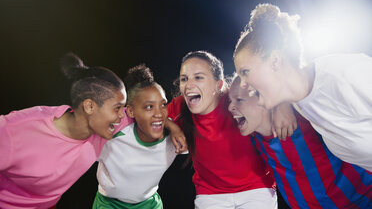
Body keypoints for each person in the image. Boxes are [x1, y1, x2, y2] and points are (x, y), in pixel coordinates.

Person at [0, 53, 186, 209]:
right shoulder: (18, 130)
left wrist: (172, 126)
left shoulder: (107, 127)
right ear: (89, 106)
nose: (122, 116)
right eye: (116, 108)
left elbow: (149, 115)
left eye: (123, 109)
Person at [233, 3, 372, 172]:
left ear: (275, 61)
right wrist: (281, 105)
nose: (243, 84)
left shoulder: (347, 75)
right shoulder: (301, 102)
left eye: (245, 72)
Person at [228, 75, 372, 209]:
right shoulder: (254, 137)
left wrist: (283, 102)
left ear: (264, 97)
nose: (230, 107)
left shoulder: (305, 115)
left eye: (239, 99)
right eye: (230, 101)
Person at [167, 50, 277, 209]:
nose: (189, 85)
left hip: (256, 188)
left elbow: (271, 96)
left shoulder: (236, 99)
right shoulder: (180, 105)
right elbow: (152, 114)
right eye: (184, 79)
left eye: (198, 77)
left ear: (218, 85)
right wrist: (172, 127)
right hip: (210, 194)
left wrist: (283, 109)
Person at [92, 64, 187, 209]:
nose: (159, 113)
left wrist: (172, 126)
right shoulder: (112, 134)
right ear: (130, 111)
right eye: (149, 106)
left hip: (149, 204)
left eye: (163, 105)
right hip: (109, 204)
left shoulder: (175, 138)